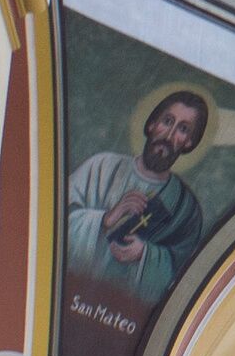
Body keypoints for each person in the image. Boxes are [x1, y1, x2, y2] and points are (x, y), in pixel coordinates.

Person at [64, 90, 213, 308]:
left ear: (189, 142)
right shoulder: (102, 167)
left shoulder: (185, 210)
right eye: (167, 121)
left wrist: (145, 255)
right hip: (70, 292)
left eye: (183, 129)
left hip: (122, 311)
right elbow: (51, 223)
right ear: (152, 124)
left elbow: (184, 279)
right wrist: (105, 219)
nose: (169, 135)